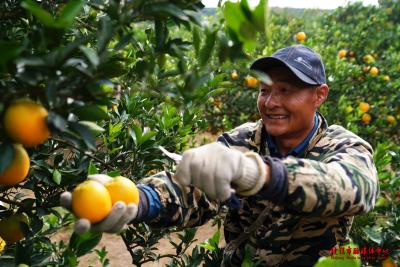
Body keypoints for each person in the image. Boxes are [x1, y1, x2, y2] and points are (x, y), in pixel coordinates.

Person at [61, 45, 379, 266]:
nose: (271, 102)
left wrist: (260, 174)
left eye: (286, 91)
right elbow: (191, 189)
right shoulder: (241, 140)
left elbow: (353, 188)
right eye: (265, 90)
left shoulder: (343, 145)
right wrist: (138, 200)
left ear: (319, 95)